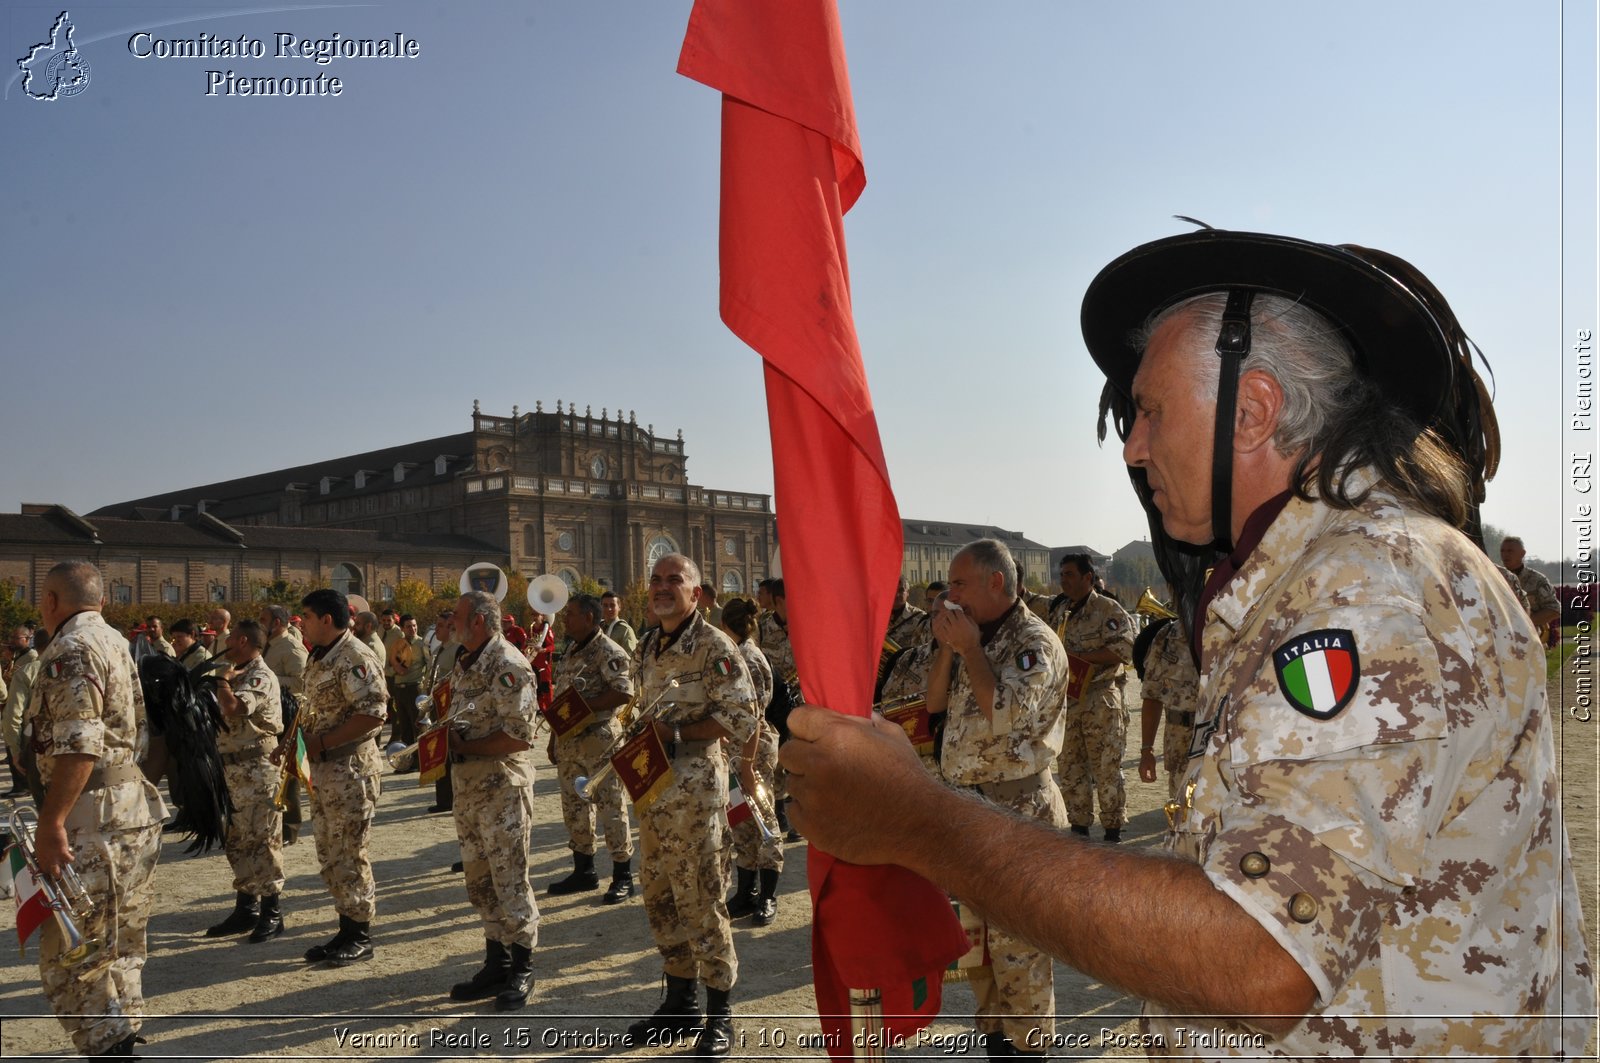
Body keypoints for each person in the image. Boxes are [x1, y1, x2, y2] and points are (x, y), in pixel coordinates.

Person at [781, 229, 1594, 1057]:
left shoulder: (1364, 583)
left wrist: (923, 822)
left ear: (1252, 411)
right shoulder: (1316, 577)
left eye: (1151, 410)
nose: (1133, 445)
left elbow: (1259, 955)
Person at [929, 539, 1070, 1057]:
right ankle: (997, 1046)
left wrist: (969, 650)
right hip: (972, 815)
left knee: (1021, 955)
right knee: (980, 953)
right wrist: (950, 648)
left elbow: (1006, 714)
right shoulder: (976, 637)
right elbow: (934, 703)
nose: (950, 594)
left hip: (1018, 816)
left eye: (959, 584)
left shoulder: (1033, 642)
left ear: (995, 582)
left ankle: (1030, 1051)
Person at [23, 560, 167, 1058]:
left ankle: (111, 1050)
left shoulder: (70, 647)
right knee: (120, 948)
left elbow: (79, 744)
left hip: (92, 818)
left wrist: (52, 822)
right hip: (129, 809)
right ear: (102, 600)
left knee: (75, 957)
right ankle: (122, 1040)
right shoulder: (115, 640)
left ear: (50, 601)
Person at [625, 554, 758, 1057]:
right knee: (659, 894)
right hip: (654, 791)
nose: (662, 588)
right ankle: (680, 1003)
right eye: (655, 580)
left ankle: (719, 1011)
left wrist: (675, 732)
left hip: (696, 791)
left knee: (701, 896)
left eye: (673, 581)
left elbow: (740, 717)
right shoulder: (646, 645)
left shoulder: (713, 646)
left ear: (696, 593)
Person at [440, 590, 541, 1010]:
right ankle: (495, 961)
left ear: (480, 620)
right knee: (480, 882)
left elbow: (519, 734)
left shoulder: (508, 664)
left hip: (501, 787)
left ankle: (522, 966)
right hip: (470, 788)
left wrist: (467, 747)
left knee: (509, 879)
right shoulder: (466, 663)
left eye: (458, 616)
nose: (451, 623)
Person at [276, 588, 386, 966]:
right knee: (330, 853)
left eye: (306, 616)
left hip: (350, 771)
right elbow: (312, 711)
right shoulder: (321, 657)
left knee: (351, 853)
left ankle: (360, 934)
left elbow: (372, 714)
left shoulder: (355, 657)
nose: (301, 623)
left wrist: (320, 743)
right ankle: (346, 927)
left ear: (326, 619)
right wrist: (294, 744)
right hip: (325, 772)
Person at [546, 593, 636, 903]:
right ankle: (584, 870)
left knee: (610, 807)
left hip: (600, 739)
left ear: (588, 618)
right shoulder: (571, 649)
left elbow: (623, 692)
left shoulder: (608, 650)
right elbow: (563, 697)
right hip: (570, 743)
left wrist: (585, 708)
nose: (564, 619)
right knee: (574, 807)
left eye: (570, 613)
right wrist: (554, 736)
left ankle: (623, 875)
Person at [205, 620, 286, 942]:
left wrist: (222, 681)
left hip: (257, 768)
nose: (224, 641)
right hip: (233, 769)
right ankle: (246, 907)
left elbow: (235, 708)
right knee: (237, 842)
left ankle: (272, 912)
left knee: (264, 841)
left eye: (228, 637)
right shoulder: (240, 672)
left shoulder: (260, 676)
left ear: (240, 640)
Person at [1048, 553, 1135, 842]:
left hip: (1100, 699)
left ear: (1088, 577)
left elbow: (1124, 650)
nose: (1063, 580)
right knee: (1071, 767)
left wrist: (1080, 658)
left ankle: (1112, 829)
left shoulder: (1107, 609)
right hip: (1068, 702)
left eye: (1069, 574)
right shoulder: (1061, 611)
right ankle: (1079, 826)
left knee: (1106, 767)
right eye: (1061, 575)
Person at [719, 597, 783, 926]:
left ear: (727, 626)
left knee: (763, 820)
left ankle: (768, 896)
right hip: (734, 750)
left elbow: (753, 717)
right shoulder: (736, 653)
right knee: (741, 820)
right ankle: (746, 893)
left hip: (753, 750)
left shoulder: (749, 658)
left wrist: (746, 762)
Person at [1132, 614, 1198, 803]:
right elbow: (1152, 695)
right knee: (1183, 813)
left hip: (1222, 744)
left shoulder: (1234, 630)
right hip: (1180, 744)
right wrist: (1147, 751)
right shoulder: (1167, 636)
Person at [260, 604, 309, 845]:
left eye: (264, 620)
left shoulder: (291, 647)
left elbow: (301, 683)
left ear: (277, 623)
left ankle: (291, 828)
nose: (260, 624)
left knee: (290, 775)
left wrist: (268, 679)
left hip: (290, 715)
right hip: (273, 713)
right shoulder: (271, 645)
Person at [387, 614, 429, 765]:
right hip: (399, 688)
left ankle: (420, 761)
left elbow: (429, 664)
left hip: (415, 689)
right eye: (409, 626)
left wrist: (425, 686)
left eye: (414, 625)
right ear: (402, 628)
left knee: (418, 726)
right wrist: (396, 670)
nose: (413, 629)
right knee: (404, 727)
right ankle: (407, 762)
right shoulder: (397, 644)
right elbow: (388, 667)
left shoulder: (422, 643)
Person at [1499, 536, 1561, 634]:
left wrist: (1524, 622)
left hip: (1529, 638)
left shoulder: (1537, 580)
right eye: (1502, 551)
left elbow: (1554, 609)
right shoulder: (1495, 576)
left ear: (1522, 553)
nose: (1505, 555)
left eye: (1510, 551)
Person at [600, 590, 639, 655]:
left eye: (612, 605)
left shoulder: (625, 630)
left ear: (619, 607)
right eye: (605, 605)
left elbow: (630, 658)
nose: (609, 609)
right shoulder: (598, 627)